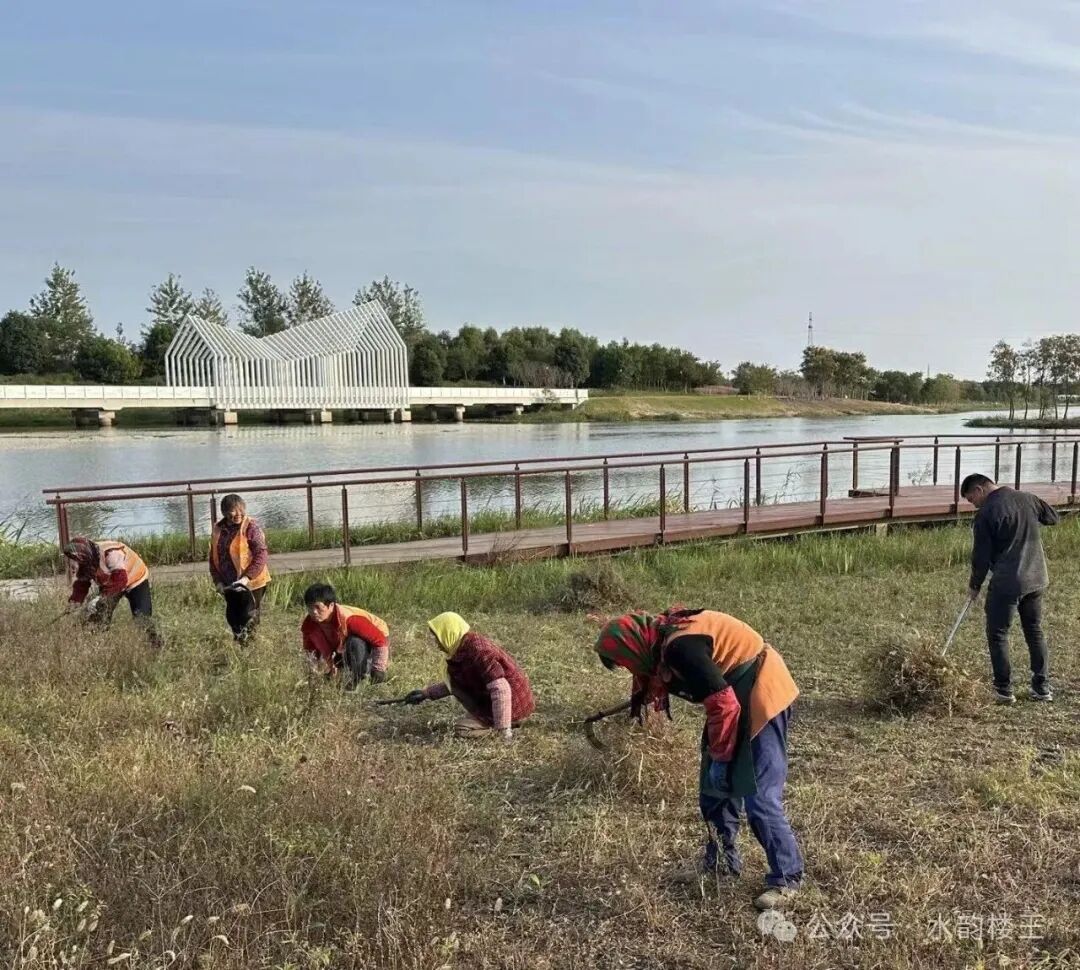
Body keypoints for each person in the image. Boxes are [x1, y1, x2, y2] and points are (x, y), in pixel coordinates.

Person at [594, 608, 802, 911]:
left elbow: (723, 705)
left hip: (761, 687)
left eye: (626, 663)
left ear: (632, 647)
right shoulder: (660, 644)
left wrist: (722, 758)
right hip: (732, 691)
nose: (630, 670)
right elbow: (709, 694)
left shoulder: (680, 648)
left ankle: (787, 878)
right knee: (712, 790)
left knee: (759, 795)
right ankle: (721, 864)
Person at [961, 474, 1059, 704]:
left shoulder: (986, 513)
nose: (973, 505)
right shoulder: (1028, 498)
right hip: (1036, 577)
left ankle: (1004, 690)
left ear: (979, 489)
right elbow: (1052, 517)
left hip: (1007, 582)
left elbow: (981, 557)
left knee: (998, 633)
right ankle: (1042, 688)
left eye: (971, 499)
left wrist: (975, 585)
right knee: (1034, 630)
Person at [404, 612, 535, 742]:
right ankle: (503, 723)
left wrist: (503, 732)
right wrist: (426, 693)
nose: (436, 643)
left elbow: (501, 689)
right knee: (466, 720)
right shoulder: (463, 648)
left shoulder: (479, 652)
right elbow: (458, 684)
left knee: (462, 729)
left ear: (448, 633)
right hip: (507, 702)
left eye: (437, 637)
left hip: (514, 705)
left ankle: (507, 725)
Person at [62, 536, 162, 647]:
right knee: (99, 613)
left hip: (135, 579)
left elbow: (121, 580)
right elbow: (81, 585)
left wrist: (99, 598)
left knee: (142, 618)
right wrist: (74, 603)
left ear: (83, 556)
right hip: (112, 582)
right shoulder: (86, 562)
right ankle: (98, 646)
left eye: (74, 560)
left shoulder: (111, 554)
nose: (71, 565)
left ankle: (156, 645)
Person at [300, 583, 389, 688]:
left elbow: (380, 641)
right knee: (332, 674)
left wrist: (378, 671)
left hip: (375, 641)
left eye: (318, 607)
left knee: (354, 642)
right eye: (310, 607)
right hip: (342, 646)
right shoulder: (309, 626)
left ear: (331, 605)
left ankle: (357, 680)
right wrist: (317, 673)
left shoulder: (350, 619)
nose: (314, 612)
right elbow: (311, 653)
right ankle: (349, 673)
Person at [209, 494, 270, 644]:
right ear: (224, 512)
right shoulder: (218, 529)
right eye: (233, 510)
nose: (238, 514)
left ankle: (250, 647)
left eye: (241, 510)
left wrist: (246, 578)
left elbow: (261, 554)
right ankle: (239, 644)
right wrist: (218, 581)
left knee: (248, 616)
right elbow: (213, 557)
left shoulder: (251, 527)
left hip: (251, 583)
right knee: (233, 616)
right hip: (229, 583)